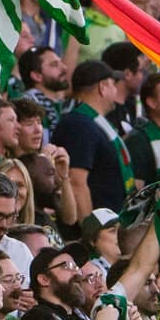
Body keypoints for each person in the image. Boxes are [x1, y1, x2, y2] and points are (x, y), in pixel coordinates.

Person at [51, 60, 133, 214]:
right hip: (96, 229)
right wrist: (91, 232)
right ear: (102, 87)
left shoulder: (93, 122)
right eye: (113, 85)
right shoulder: (78, 125)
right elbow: (76, 183)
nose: (116, 90)